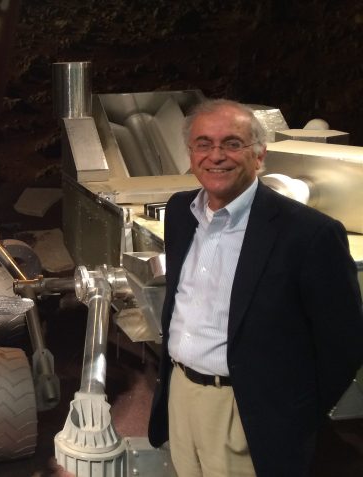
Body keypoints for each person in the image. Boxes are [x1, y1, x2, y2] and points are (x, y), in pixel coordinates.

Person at [148, 99, 363, 476]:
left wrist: (292, 416)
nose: (216, 156)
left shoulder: (308, 234)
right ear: (190, 153)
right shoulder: (181, 213)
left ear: (259, 155)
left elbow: (343, 345)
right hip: (180, 396)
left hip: (244, 409)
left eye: (232, 143)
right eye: (204, 143)